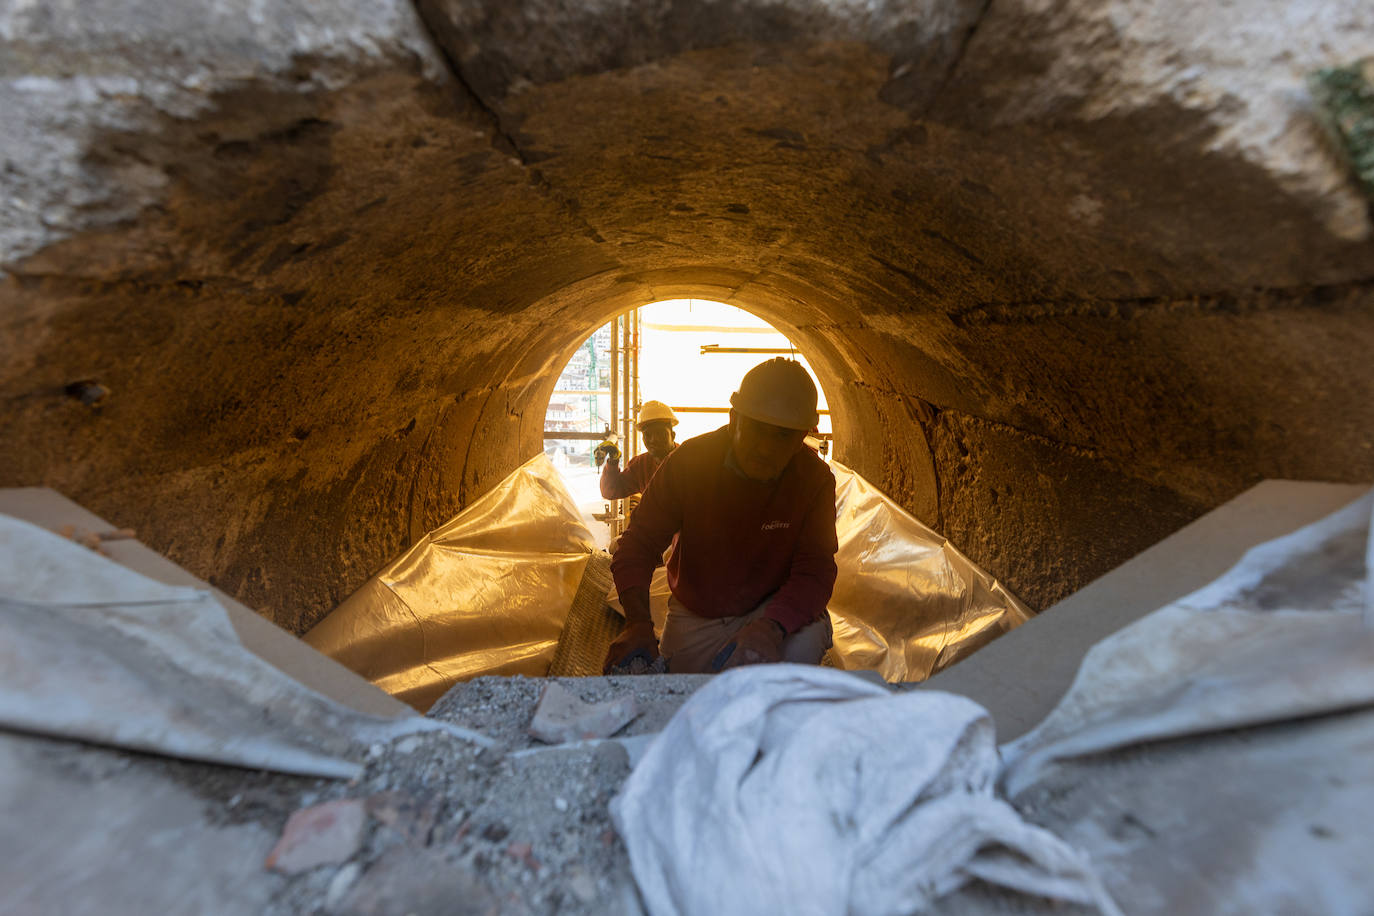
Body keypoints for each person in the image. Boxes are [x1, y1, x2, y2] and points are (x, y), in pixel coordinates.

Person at [603, 359, 838, 674]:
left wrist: (772, 626)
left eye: (783, 436)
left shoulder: (814, 479)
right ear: (734, 419)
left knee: (795, 657)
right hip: (698, 611)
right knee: (678, 687)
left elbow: (816, 569)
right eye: (757, 429)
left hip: (774, 609)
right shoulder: (690, 463)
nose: (767, 448)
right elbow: (639, 543)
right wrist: (637, 623)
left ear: (803, 437)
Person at [598, 400, 679, 500]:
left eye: (660, 433)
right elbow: (610, 492)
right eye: (648, 435)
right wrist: (613, 461)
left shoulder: (688, 460)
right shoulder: (641, 465)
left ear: (673, 435)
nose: (654, 439)